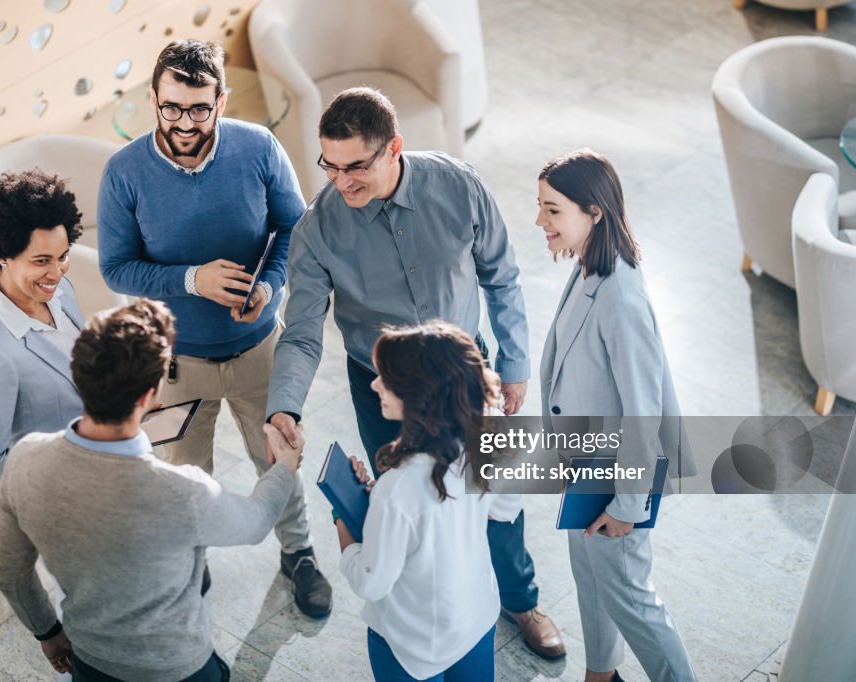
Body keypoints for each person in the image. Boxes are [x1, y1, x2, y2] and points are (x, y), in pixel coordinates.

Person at [266, 87, 565, 658]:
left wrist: (515, 362)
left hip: (463, 371)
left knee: (495, 492)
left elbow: (501, 276)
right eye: (330, 165)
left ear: (394, 148)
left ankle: (519, 599)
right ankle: (416, 619)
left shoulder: (458, 185)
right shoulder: (317, 230)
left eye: (357, 166)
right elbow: (302, 331)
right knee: (400, 503)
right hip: (383, 389)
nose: (341, 182)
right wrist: (286, 406)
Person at [97, 40, 332, 618]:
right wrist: (191, 281)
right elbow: (115, 266)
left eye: (199, 108)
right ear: (153, 98)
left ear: (221, 101)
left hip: (259, 350)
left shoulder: (258, 148)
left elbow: (294, 229)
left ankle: (298, 553)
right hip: (174, 363)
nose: (183, 122)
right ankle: (190, 561)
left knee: (278, 457)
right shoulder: (123, 172)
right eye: (171, 107)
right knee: (183, 474)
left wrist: (270, 285)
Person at [0, 298, 304, 681]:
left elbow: (9, 574)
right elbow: (255, 522)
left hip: (90, 663)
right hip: (178, 668)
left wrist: (48, 631)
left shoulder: (24, 460)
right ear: (147, 398)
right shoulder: (181, 492)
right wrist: (285, 468)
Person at [536, 149, 697, 682]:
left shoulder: (622, 295)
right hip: (587, 465)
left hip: (617, 473)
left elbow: (643, 410)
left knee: (631, 598)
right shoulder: (588, 265)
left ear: (594, 212)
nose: (541, 221)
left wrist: (628, 504)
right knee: (592, 578)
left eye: (553, 210)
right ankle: (600, 675)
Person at [336, 321, 501, 681]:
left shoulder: (397, 489)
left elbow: (371, 583)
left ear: (418, 393)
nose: (375, 384)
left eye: (387, 378)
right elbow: (506, 509)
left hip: (411, 647)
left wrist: (345, 526)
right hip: (475, 619)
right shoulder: (487, 440)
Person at [0, 169, 85, 482]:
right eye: (41, 261)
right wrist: (77, 469)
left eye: (63, 256)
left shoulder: (62, 291)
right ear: (3, 256)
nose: (56, 273)